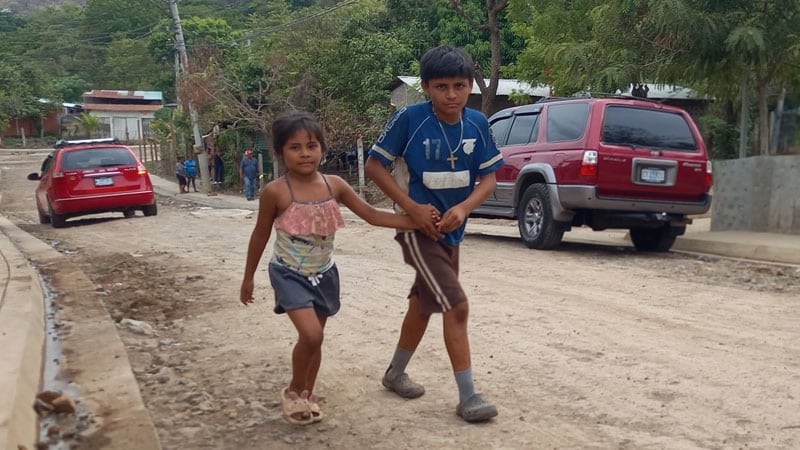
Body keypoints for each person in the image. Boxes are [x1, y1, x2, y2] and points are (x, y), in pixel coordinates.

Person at [239, 111, 437, 425]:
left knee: (314, 339)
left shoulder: (335, 185)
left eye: (312, 145)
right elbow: (260, 234)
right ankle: (293, 390)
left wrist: (416, 222)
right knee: (312, 334)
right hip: (288, 274)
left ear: (322, 148)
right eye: (295, 147)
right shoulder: (275, 192)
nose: (305, 153)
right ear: (280, 152)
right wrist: (248, 277)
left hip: (325, 274)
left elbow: (372, 215)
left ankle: (307, 394)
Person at [365, 44, 504, 423]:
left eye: (459, 85)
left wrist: (463, 208)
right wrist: (409, 207)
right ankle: (469, 396)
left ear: (469, 86)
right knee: (456, 305)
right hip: (416, 228)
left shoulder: (477, 123)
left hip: (453, 229)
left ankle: (395, 373)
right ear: (425, 87)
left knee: (424, 303)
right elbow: (375, 165)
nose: (452, 95)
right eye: (441, 86)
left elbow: (488, 178)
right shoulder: (410, 118)